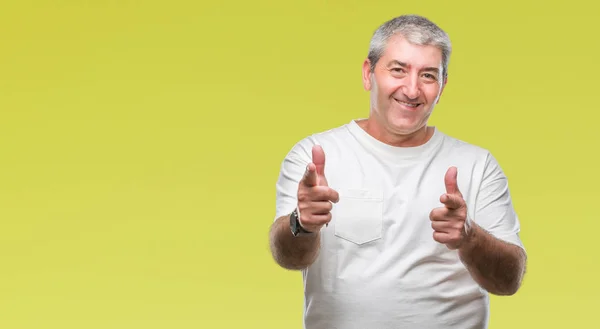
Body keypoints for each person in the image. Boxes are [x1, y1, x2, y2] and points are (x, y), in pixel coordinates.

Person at [268, 14, 527, 329]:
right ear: (368, 74)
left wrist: (469, 237)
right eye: (398, 70)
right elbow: (288, 256)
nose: (412, 89)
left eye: (428, 75)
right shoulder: (316, 156)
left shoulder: (477, 165)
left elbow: (509, 280)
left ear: (442, 86)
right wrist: (303, 223)